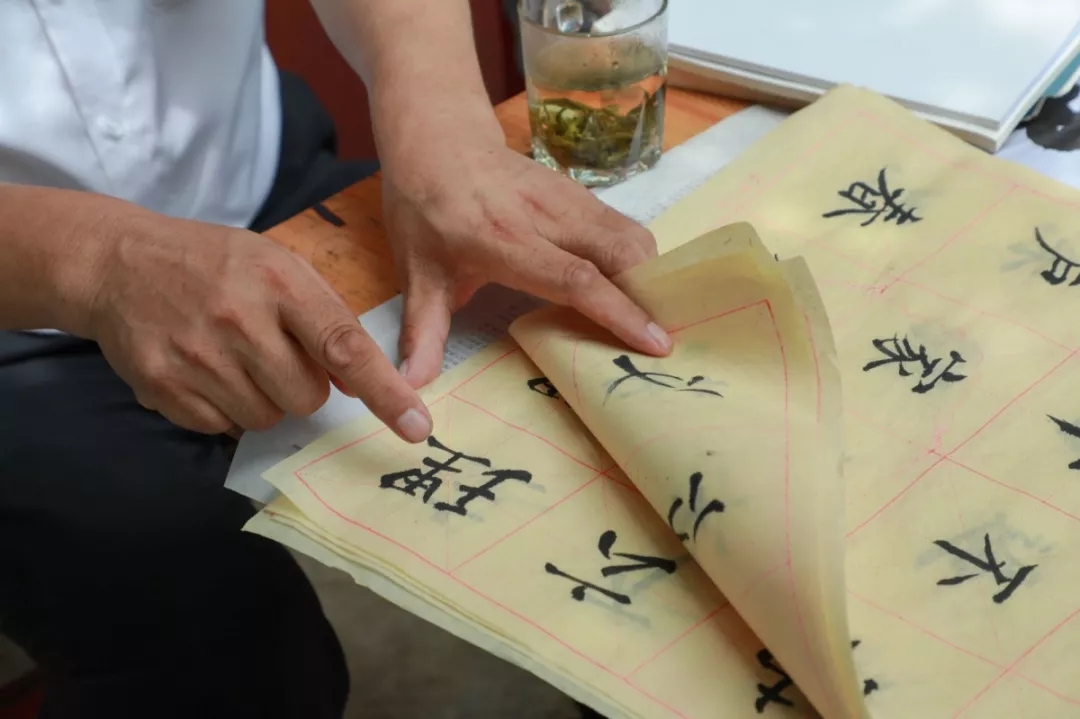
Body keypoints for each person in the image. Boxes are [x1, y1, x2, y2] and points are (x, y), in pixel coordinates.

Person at [0, 2, 670, 717]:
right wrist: (99, 263)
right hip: (22, 297)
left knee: (588, 429)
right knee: (226, 654)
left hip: (245, 173)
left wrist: (441, 122)